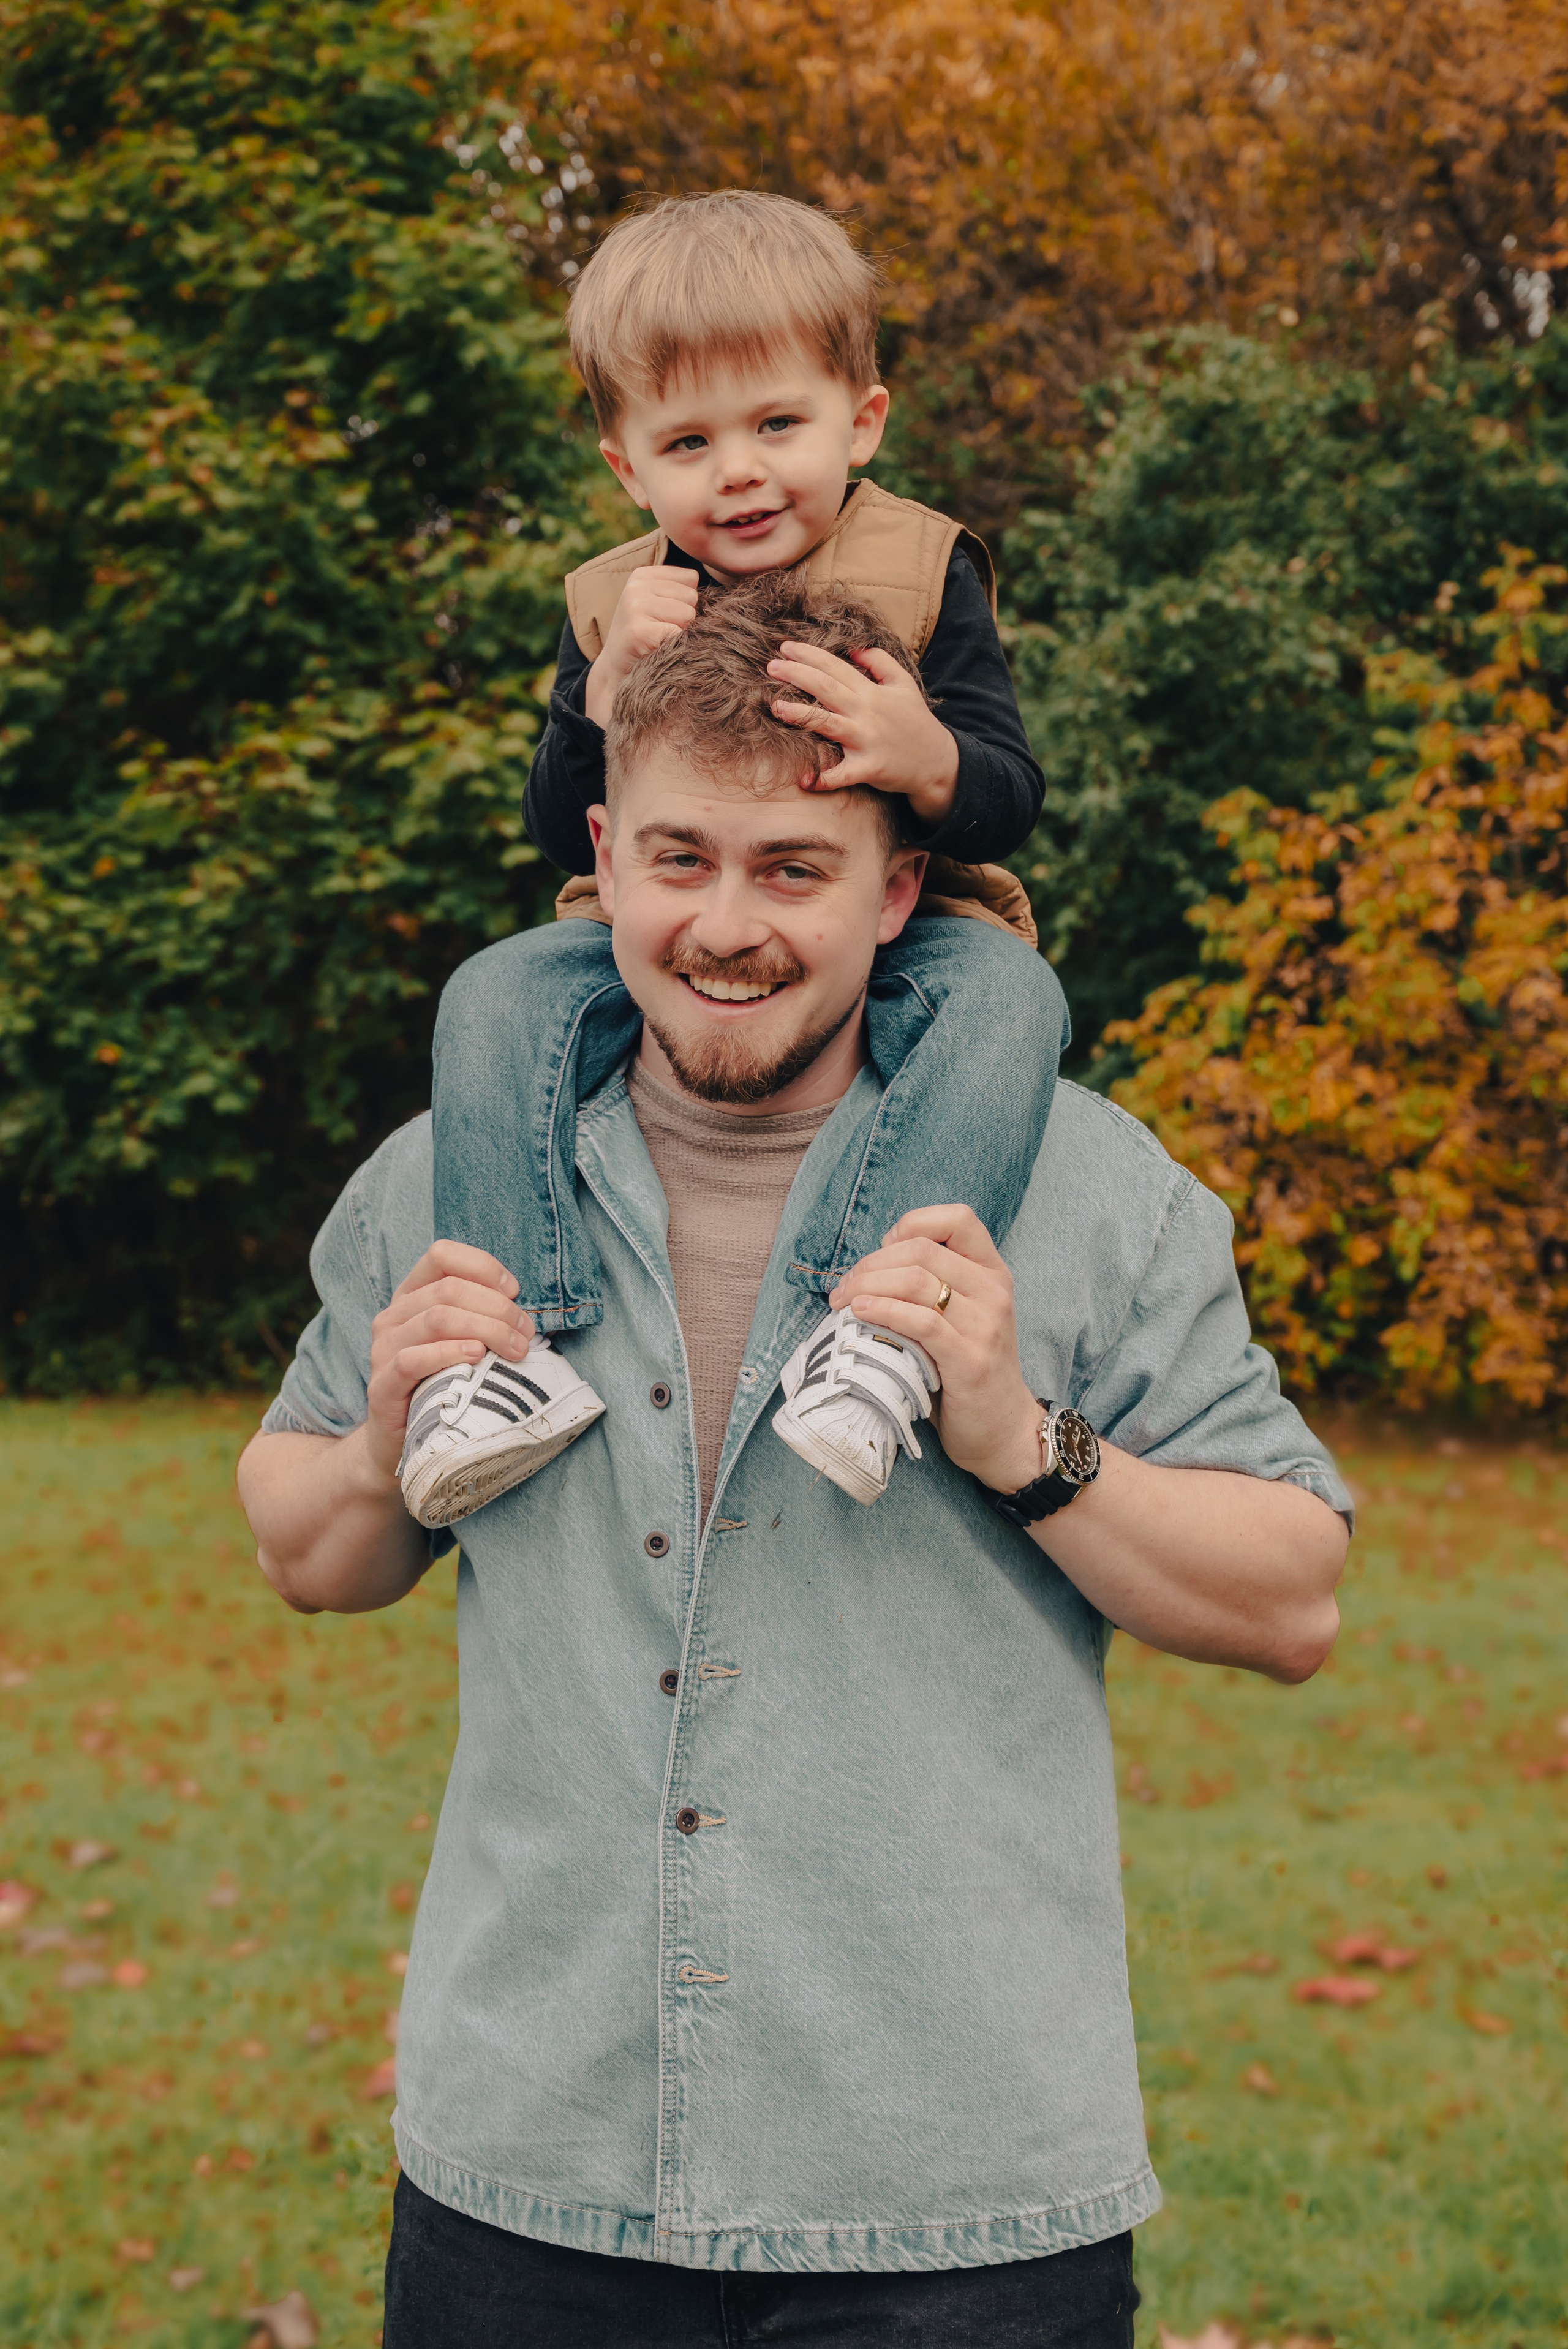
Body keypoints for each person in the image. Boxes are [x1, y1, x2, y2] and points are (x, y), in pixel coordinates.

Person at [236, 581, 1352, 2349]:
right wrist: (383, 1445)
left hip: (956, 2198)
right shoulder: (454, 1177)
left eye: (793, 869)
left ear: (897, 890)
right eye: (679, 860)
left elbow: (1294, 1595)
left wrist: (1020, 1440)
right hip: (533, 2176)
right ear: (601, 856)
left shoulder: (1091, 1189)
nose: (726, 926)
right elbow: (305, 1545)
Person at [415, 188, 1067, 1528]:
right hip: (651, 924)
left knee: (1014, 1003)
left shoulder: (921, 569)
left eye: (778, 424)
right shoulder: (609, 601)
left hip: (912, 915)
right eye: (689, 441)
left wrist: (919, 751)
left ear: (861, 420)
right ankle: (505, 1349)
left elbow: (1007, 796)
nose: (741, 472)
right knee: (491, 993)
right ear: (626, 467)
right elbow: (558, 826)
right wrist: (596, 699)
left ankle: (872, 1323)